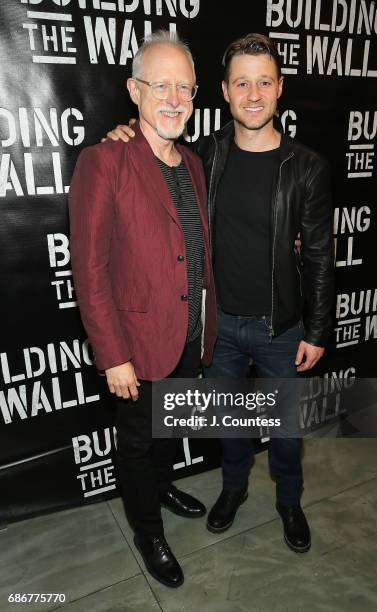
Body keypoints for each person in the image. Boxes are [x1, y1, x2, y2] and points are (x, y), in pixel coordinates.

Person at [106, 33, 334, 554]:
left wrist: (318, 329)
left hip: (282, 328)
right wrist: (122, 132)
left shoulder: (308, 168)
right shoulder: (203, 155)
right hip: (220, 326)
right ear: (225, 93)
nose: (253, 94)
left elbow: (320, 255)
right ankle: (232, 491)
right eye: (241, 83)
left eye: (264, 82)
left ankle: (289, 502)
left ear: (280, 89)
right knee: (230, 425)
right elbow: (149, 152)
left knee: (285, 432)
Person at [69, 30, 217, 588]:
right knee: (136, 439)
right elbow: (90, 270)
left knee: (164, 426)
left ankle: (160, 486)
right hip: (135, 344)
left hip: (188, 333)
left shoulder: (195, 165)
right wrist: (112, 356)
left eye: (185, 87)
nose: (175, 98)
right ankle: (147, 529)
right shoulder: (104, 161)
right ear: (135, 90)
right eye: (161, 85)